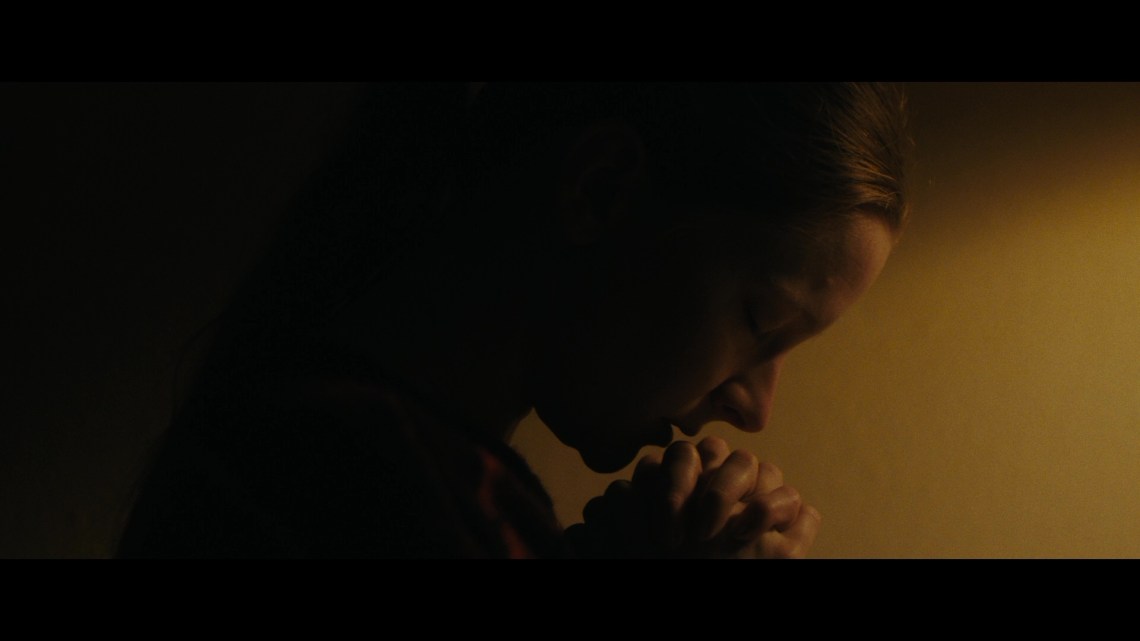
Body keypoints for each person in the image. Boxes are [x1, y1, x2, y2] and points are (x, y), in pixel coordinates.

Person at [116, 82, 909, 558]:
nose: (757, 407)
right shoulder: (370, 493)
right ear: (599, 189)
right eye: (761, 319)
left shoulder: (301, 442)